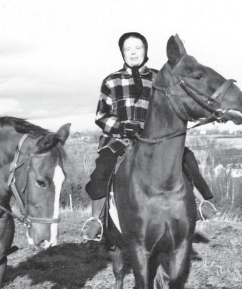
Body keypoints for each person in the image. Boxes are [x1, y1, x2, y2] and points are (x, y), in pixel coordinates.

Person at [81, 32, 219, 242]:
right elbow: (101, 116)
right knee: (102, 170)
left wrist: (207, 112)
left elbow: (177, 107)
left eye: (138, 48)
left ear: (145, 51)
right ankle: (96, 220)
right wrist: (123, 126)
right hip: (120, 140)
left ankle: (200, 204)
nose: (133, 52)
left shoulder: (159, 79)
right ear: (122, 53)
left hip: (157, 141)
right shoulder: (111, 81)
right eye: (128, 49)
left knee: (186, 158)